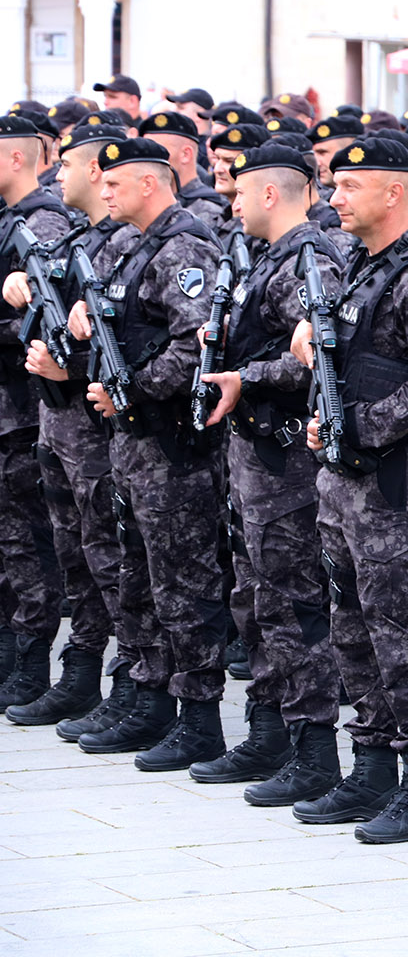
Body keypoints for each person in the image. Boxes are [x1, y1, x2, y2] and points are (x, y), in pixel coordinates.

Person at [287, 135, 408, 842]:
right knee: (352, 628)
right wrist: (325, 422)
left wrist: (356, 426)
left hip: (397, 485)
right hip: (345, 481)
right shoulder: (365, 269)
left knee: (401, 632)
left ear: (394, 191)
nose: (333, 198)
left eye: (348, 186)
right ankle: (371, 768)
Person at [182, 144, 346, 807]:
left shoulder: (312, 259)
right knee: (257, 602)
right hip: (253, 458)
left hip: (288, 462)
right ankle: (270, 730)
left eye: (241, 192)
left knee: (296, 607)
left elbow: (318, 359)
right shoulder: (267, 259)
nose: (232, 201)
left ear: (271, 194)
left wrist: (244, 376)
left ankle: (314, 753)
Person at [64, 137, 231, 772]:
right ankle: (149, 696)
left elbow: (197, 346)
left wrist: (129, 387)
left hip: (172, 445)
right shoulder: (138, 245)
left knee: (185, 586)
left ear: (151, 184)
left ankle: (199, 719)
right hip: (135, 443)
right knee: (143, 578)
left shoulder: (184, 248)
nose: (103, 192)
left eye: (115, 182)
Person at [4, 122, 129, 730]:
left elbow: (140, 348)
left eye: (71, 167)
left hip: (92, 427)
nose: (61, 178)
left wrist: (67, 362)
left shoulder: (133, 243)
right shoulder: (85, 237)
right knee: (73, 551)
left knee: (110, 558)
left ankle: (132, 688)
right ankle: (81, 673)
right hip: (56, 422)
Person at [0, 115, 72, 710]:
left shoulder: (40, 223)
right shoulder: (9, 222)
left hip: (21, 410)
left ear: (18, 157)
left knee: (26, 541)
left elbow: (47, 323)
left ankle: (30, 661)